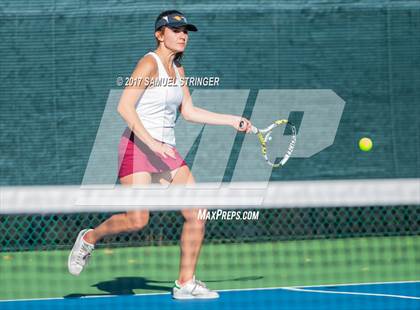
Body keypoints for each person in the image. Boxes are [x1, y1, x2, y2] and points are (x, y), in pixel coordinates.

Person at [68, 10, 252, 300]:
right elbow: (124, 106)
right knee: (137, 220)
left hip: (166, 152)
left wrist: (231, 120)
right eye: (175, 30)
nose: (182, 35)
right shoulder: (149, 64)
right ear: (159, 34)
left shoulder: (179, 70)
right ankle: (90, 237)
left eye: (185, 31)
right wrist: (152, 143)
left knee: (197, 213)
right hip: (138, 147)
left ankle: (185, 282)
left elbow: (188, 111)